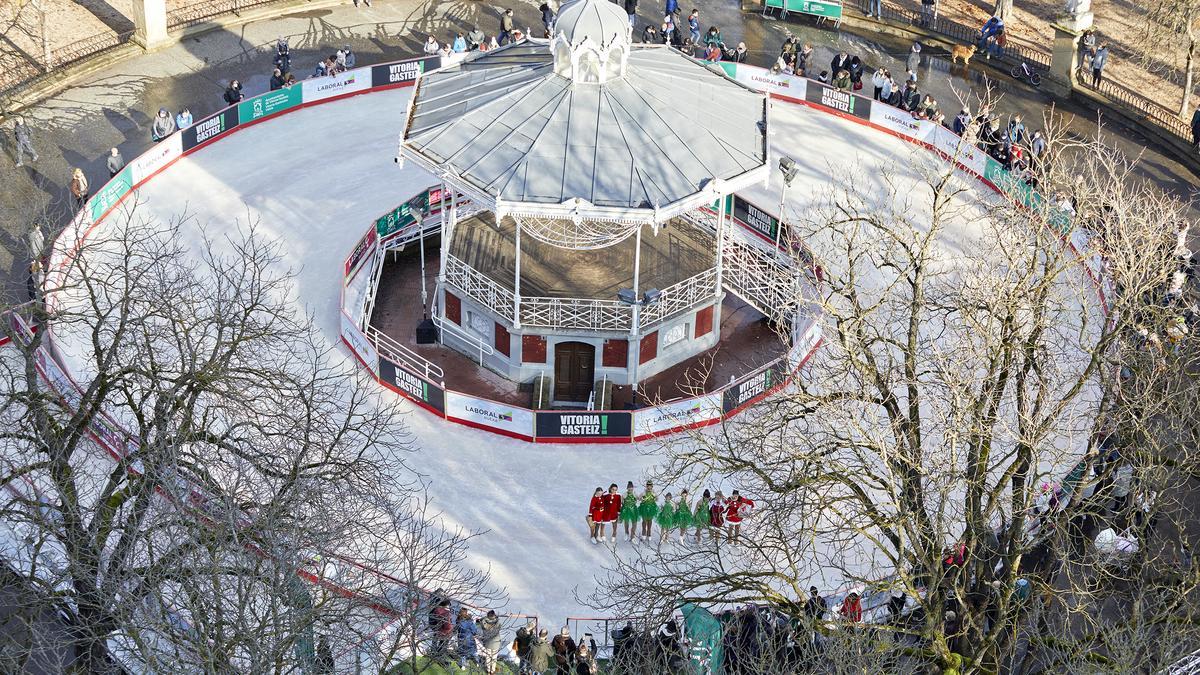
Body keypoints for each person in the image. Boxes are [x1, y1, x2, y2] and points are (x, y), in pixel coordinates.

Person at [478, 610, 503, 675]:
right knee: (494, 657)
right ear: (494, 615)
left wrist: (485, 618)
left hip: (488, 642)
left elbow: (481, 620)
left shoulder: (484, 623)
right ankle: (492, 671)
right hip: (496, 643)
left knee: (488, 657)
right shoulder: (497, 623)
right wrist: (496, 618)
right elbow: (500, 625)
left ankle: (488, 670)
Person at [430, 598, 453, 663]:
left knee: (435, 642)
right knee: (442, 645)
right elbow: (447, 626)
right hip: (445, 631)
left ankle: (433, 653)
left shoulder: (435, 610)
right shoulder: (446, 613)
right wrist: (451, 628)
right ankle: (439, 657)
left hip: (437, 629)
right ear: (446, 605)